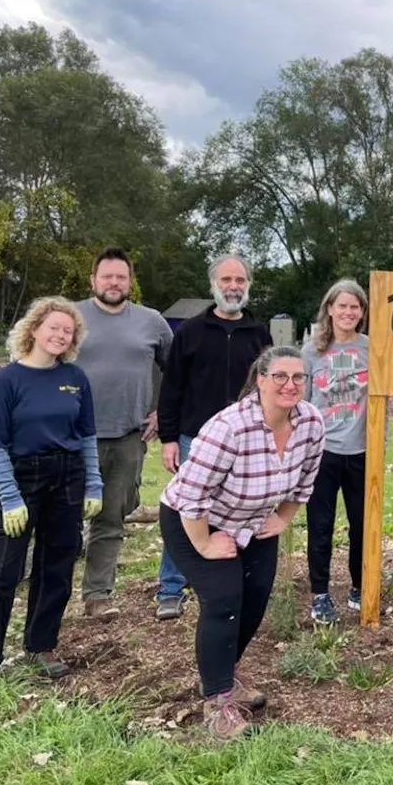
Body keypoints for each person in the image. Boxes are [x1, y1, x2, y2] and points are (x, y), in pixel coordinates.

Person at [159, 346, 325, 740]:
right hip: (195, 520)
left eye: (298, 377)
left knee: (253, 599)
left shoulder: (311, 423)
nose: (290, 385)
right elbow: (193, 494)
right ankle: (217, 703)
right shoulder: (230, 426)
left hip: (252, 523)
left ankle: (224, 675)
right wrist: (204, 545)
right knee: (223, 599)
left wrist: (282, 518)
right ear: (261, 380)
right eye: (280, 376)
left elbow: (305, 481)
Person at [0, 297, 103, 698]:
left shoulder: (76, 378)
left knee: (56, 567)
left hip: (67, 477)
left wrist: (93, 484)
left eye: (68, 331)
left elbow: (87, 436)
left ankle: (41, 645)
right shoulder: (5, 381)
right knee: (0, 571)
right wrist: (9, 497)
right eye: (53, 327)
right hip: (22, 478)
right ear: (34, 329)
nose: (60, 335)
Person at [155, 254, 273, 620]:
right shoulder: (190, 332)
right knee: (186, 510)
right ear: (213, 285)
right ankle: (171, 587)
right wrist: (169, 438)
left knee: (238, 511)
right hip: (196, 440)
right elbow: (171, 388)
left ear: (248, 286)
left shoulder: (259, 335)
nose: (233, 287)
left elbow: (269, 391)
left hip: (247, 442)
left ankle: (226, 578)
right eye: (226, 280)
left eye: (240, 280)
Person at [72, 248, 174, 619]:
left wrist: (162, 411)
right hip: (73, 437)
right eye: (106, 276)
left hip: (129, 436)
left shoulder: (152, 322)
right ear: (93, 281)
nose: (113, 283)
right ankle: (47, 591)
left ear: (130, 282)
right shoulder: (71, 317)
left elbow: (174, 371)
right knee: (65, 517)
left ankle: (97, 596)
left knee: (112, 516)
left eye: (121, 277)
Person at [302, 278, 371, 624]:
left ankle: (361, 586)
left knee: (363, 525)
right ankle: (320, 595)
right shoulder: (312, 351)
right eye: (341, 305)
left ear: (362, 313)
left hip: (362, 452)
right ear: (329, 309)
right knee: (320, 525)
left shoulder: (372, 349)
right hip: (322, 452)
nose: (348, 312)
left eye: (354, 307)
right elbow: (299, 404)